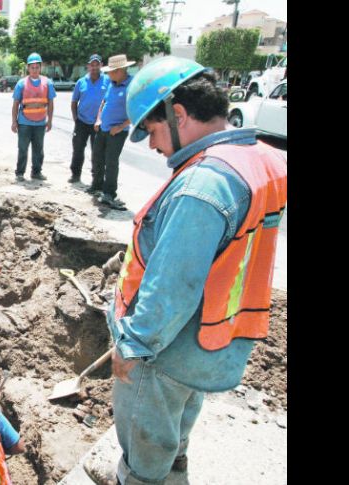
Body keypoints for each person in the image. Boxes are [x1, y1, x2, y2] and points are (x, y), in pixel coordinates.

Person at [92, 56, 287, 485]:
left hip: (165, 349)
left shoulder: (204, 184)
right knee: (175, 432)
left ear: (178, 114)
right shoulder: (261, 159)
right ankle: (171, 472)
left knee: (146, 447)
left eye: (152, 130)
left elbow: (172, 286)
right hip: (212, 338)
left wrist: (133, 345)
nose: (150, 144)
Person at [88, 54, 135, 209]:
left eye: (110, 71)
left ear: (120, 70)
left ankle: (109, 194)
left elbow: (137, 111)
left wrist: (121, 126)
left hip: (117, 132)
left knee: (111, 162)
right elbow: (104, 102)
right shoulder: (112, 83)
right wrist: (98, 119)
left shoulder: (131, 86)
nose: (107, 74)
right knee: (97, 157)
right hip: (103, 128)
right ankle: (97, 186)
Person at [11, 52, 56, 182]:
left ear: (40, 67)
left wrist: (50, 121)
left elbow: (51, 103)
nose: (35, 70)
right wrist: (14, 122)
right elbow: (15, 104)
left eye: (37, 67)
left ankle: (36, 172)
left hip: (40, 123)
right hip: (24, 122)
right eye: (32, 67)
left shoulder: (47, 83)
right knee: (23, 149)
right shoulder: (21, 83)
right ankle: (20, 173)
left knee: (38, 150)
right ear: (28, 68)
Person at [69, 54, 109, 184]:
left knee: (97, 153)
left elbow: (109, 101)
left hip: (99, 124)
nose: (94, 67)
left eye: (97, 64)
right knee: (78, 150)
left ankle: (97, 180)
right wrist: (76, 119)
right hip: (82, 122)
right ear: (88, 66)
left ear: (101, 65)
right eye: (92, 64)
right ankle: (75, 175)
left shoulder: (107, 81)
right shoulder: (81, 82)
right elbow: (74, 102)